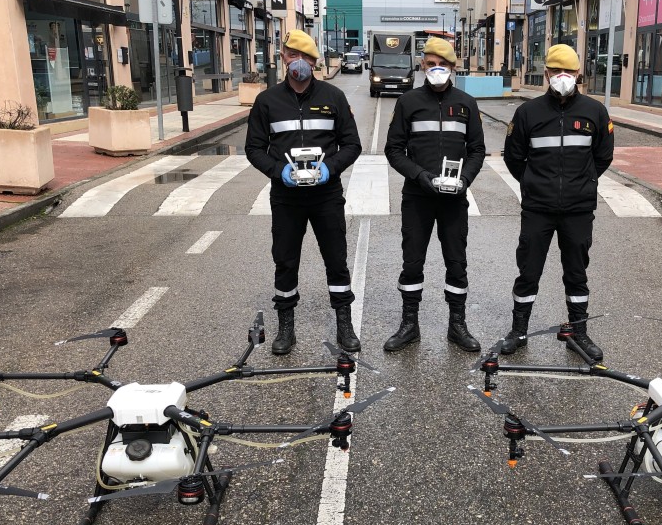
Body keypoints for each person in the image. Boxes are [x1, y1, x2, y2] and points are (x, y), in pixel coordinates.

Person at [245, 30, 363, 355]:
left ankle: (344, 323)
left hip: (326, 195)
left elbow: (352, 144)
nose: (300, 62)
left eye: (307, 57)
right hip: (286, 196)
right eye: (293, 54)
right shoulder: (267, 101)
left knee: (336, 260)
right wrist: (278, 171)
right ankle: (286, 328)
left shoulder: (333, 97)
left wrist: (330, 168)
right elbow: (254, 148)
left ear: (315, 62)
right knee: (285, 261)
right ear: (283, 57)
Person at [499, 44, 615, 360]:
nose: (563, 76)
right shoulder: (527, 113)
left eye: (570, 71)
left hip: (578, 209)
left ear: (579, 74)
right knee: (528, 270)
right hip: (538, 208)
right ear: (547, 73)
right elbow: (513, 157)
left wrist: (582, 183)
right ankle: (518, 331)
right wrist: (534, 183)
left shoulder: (595, 111)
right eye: (557, 71)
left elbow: (603, 156)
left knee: (577, 272)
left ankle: (578, 332)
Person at [383, 37, 485, 352]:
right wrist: (420, 176)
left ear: (453, 67)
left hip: (454, 198)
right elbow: (394, 149)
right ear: (423, 65)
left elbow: (478, 150)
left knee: (456, 262)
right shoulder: (408, 102)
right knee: (412, 261)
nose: (437, 69)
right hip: (418, 197)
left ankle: (457, 325)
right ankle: (409, 324)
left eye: (443, 65)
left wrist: (465, 179)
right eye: (431, 64)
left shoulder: (467, 103)